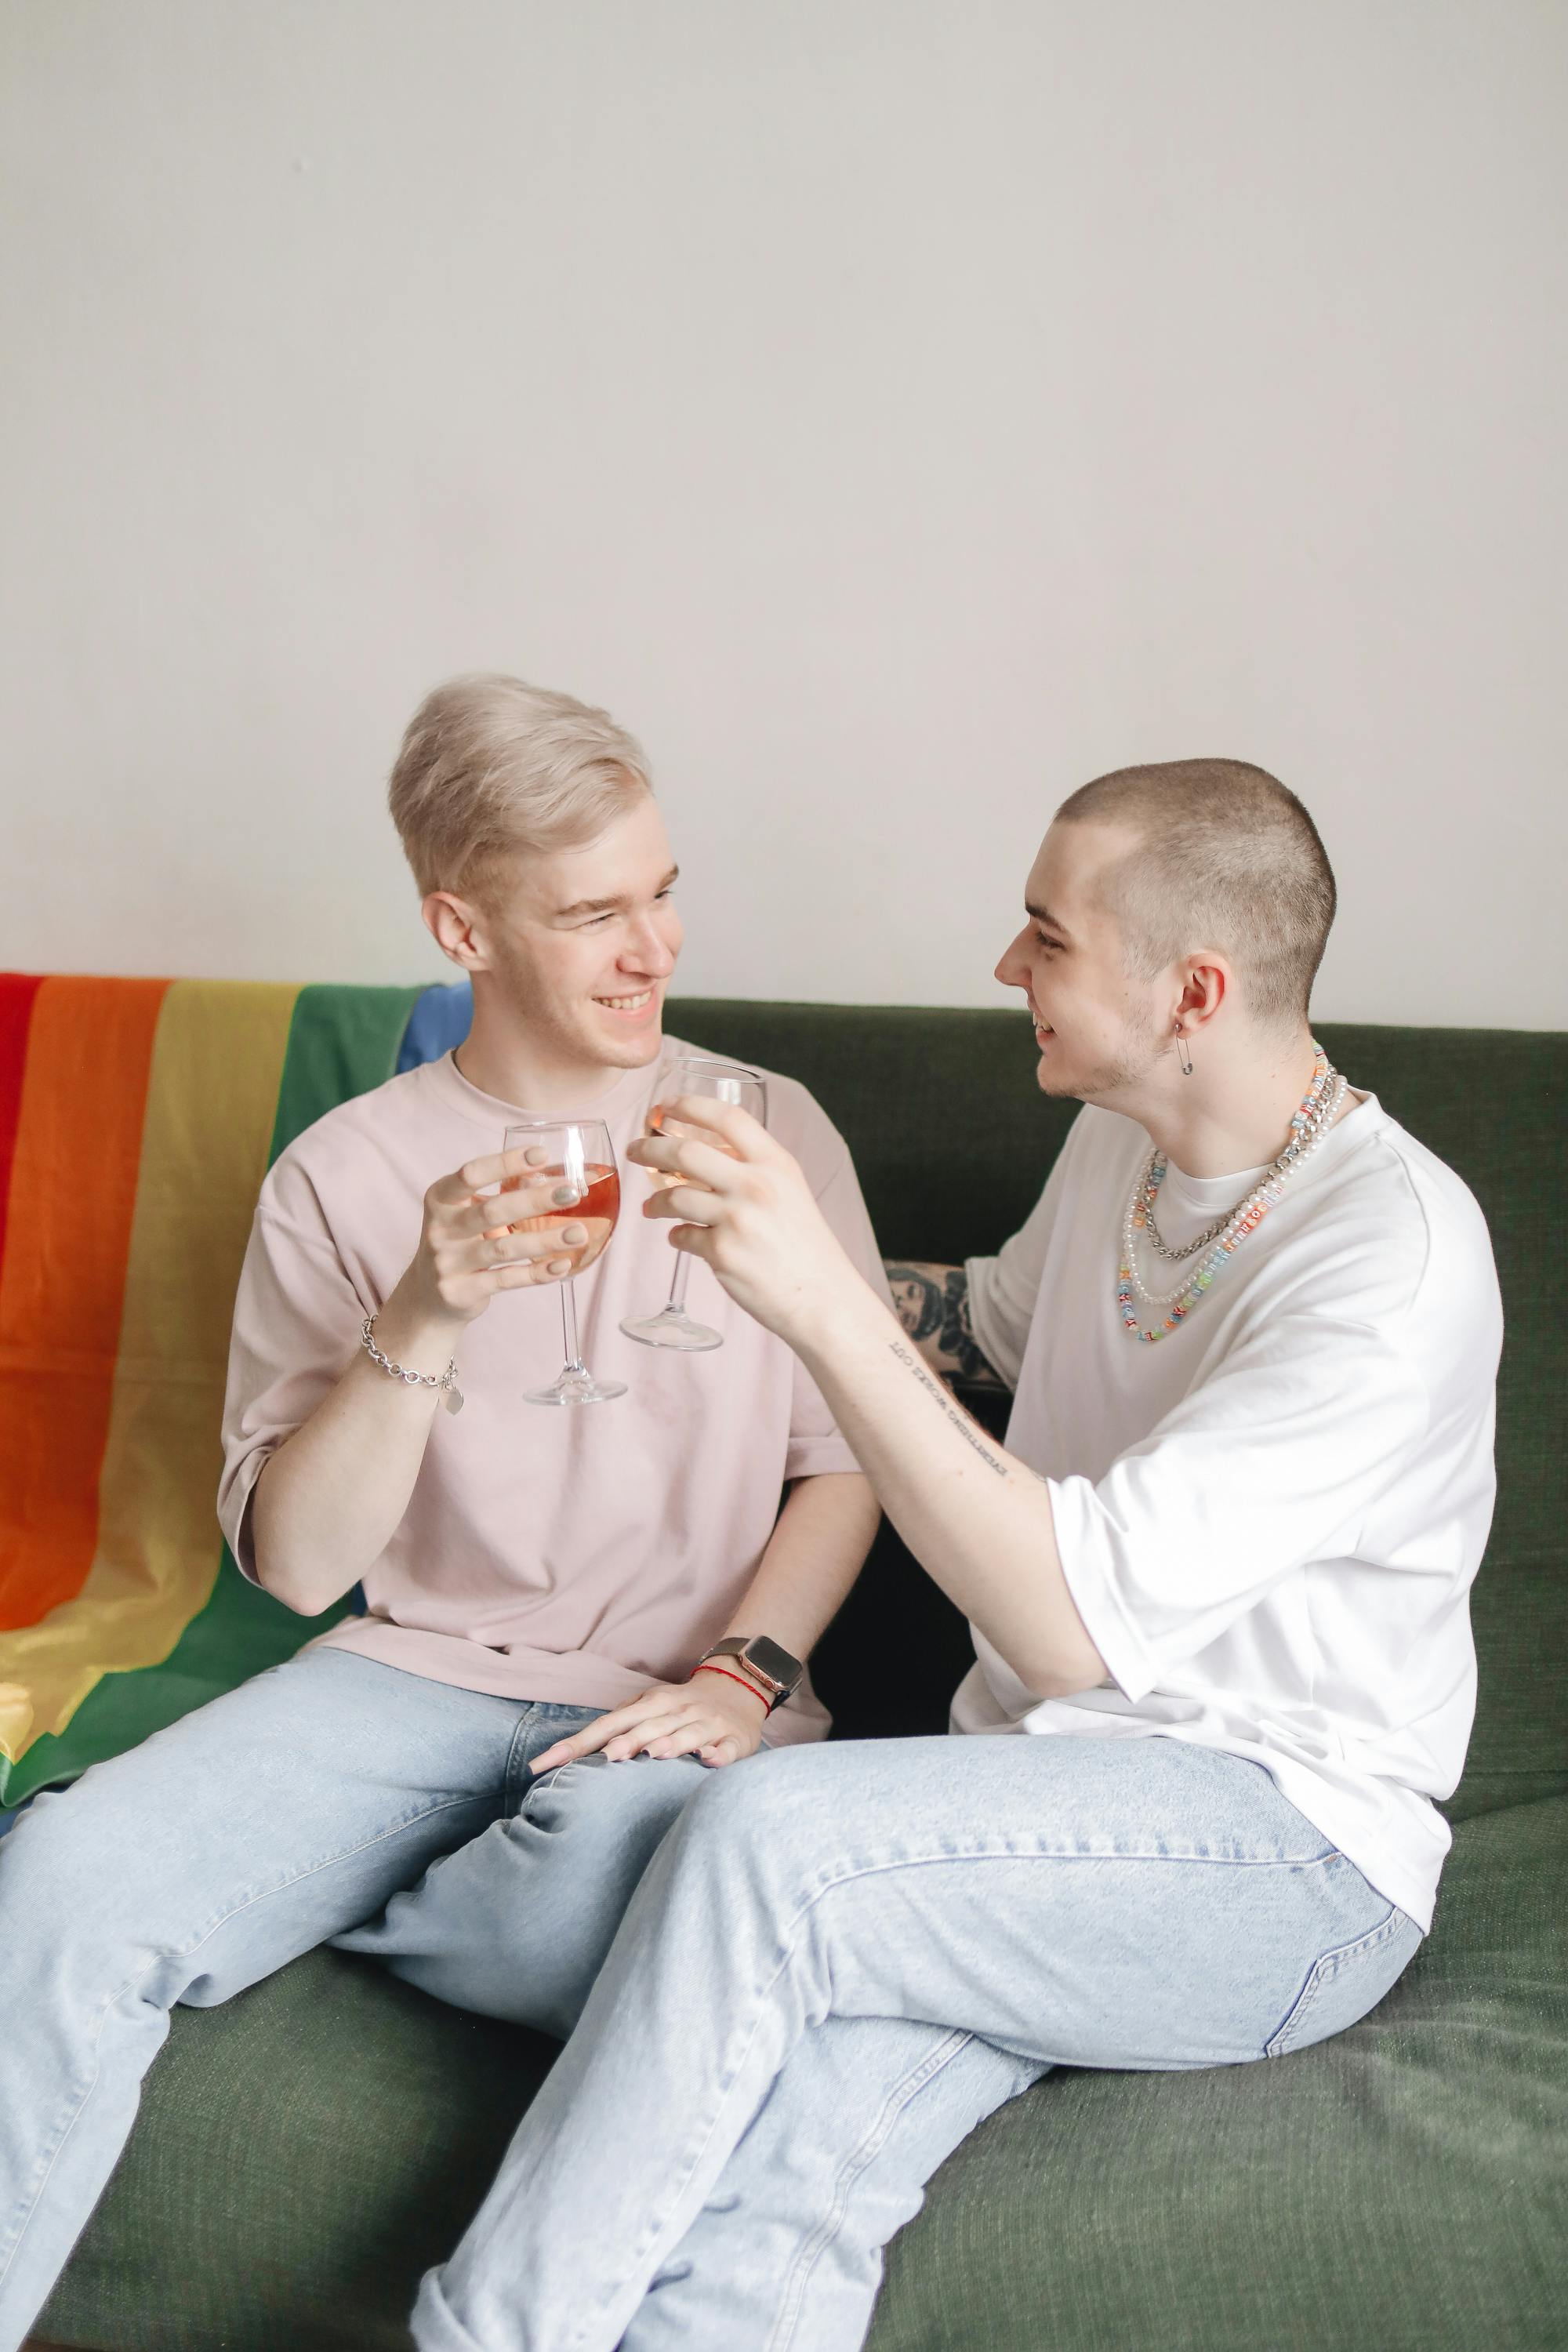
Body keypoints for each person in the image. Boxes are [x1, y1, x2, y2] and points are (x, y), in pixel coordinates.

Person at [394, 758, 1501, 2352]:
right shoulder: (1132, 1146)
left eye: (1044, 938)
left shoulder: (1386, 1261)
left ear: (1191, 990)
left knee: (767, 1843)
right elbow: (972, 1327)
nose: (1005, 970)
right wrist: (700, 1240)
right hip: (1030, 1804)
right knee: (778, 2199)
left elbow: (1066, 1630)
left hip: (1283, 1853)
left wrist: (816, 1297)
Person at [0, 675, 887, 2352]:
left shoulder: (765, 1131)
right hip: (407, 1683)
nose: (655, 950)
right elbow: (304, 1565)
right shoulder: (343, 1175)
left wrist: (745, 1675)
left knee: (600, 1892)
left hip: (683, 1699)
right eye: (593, 915)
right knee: (63, 1878)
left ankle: (374, 1889)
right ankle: (360, 1861)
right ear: (460, 926)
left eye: (664, 891)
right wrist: (421, 1314)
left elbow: (842, 1458)